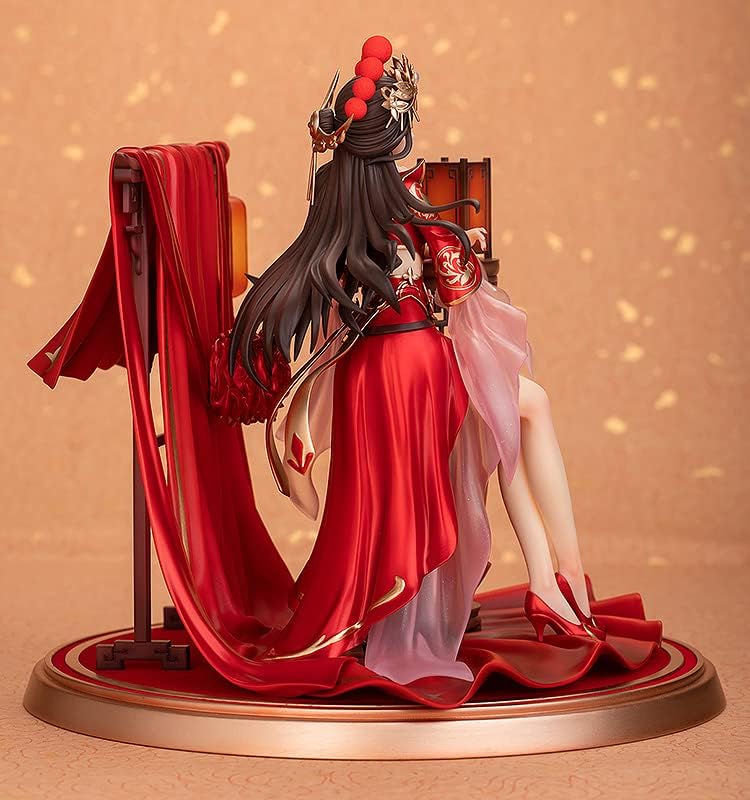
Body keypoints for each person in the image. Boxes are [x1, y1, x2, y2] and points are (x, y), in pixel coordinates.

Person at [228, 35, 601, 685]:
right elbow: (462, 291)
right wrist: (463, 245)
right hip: (418, 368)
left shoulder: (337, 203)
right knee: (523, 412)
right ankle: (560, 578)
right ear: (395, 136)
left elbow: (345, 299)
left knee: (510, 423)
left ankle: (552, 580)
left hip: (371, 374)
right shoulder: (412, 206)